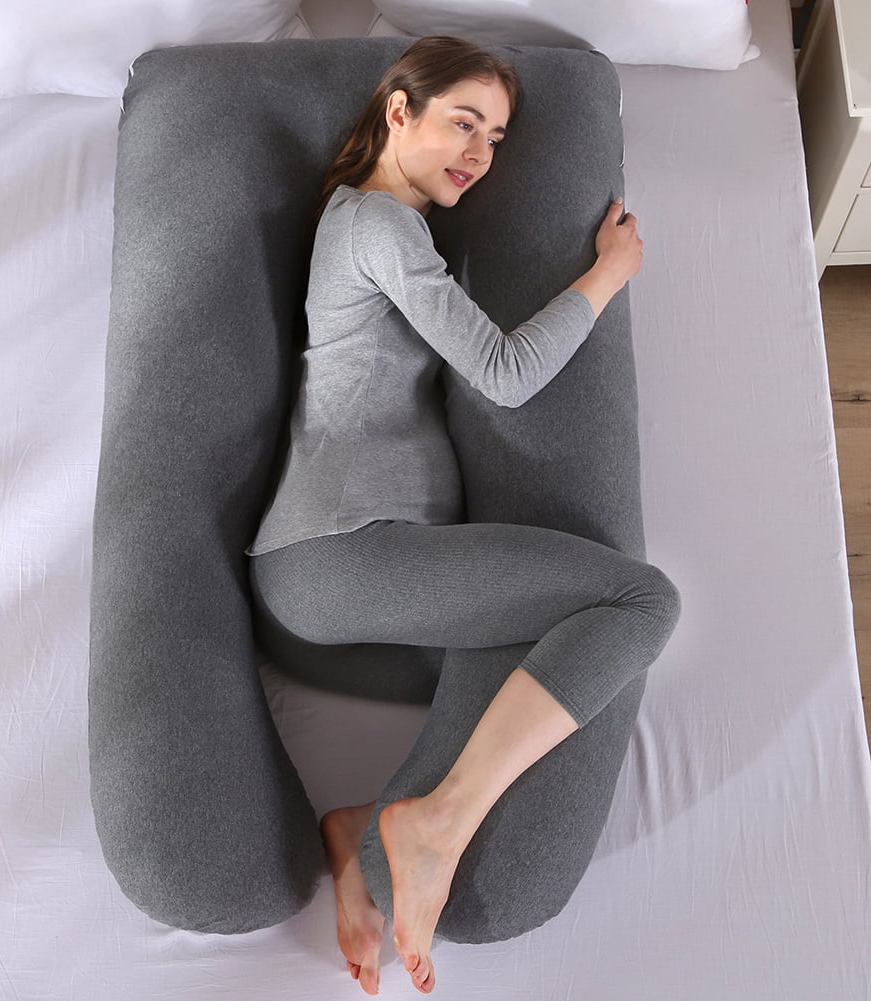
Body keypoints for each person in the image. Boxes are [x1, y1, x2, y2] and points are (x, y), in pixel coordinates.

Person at [247, 36, 680, 997]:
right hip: (336, 556)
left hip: (353, 574)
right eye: (463, 122)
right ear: (398, 110)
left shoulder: (382, 229)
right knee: (641, 602)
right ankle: (434, 821)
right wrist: (607, 273)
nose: (479, 153)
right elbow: (506, 374)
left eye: (495, 137)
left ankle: (364, 837)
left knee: (537, 633)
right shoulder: (377, 224)